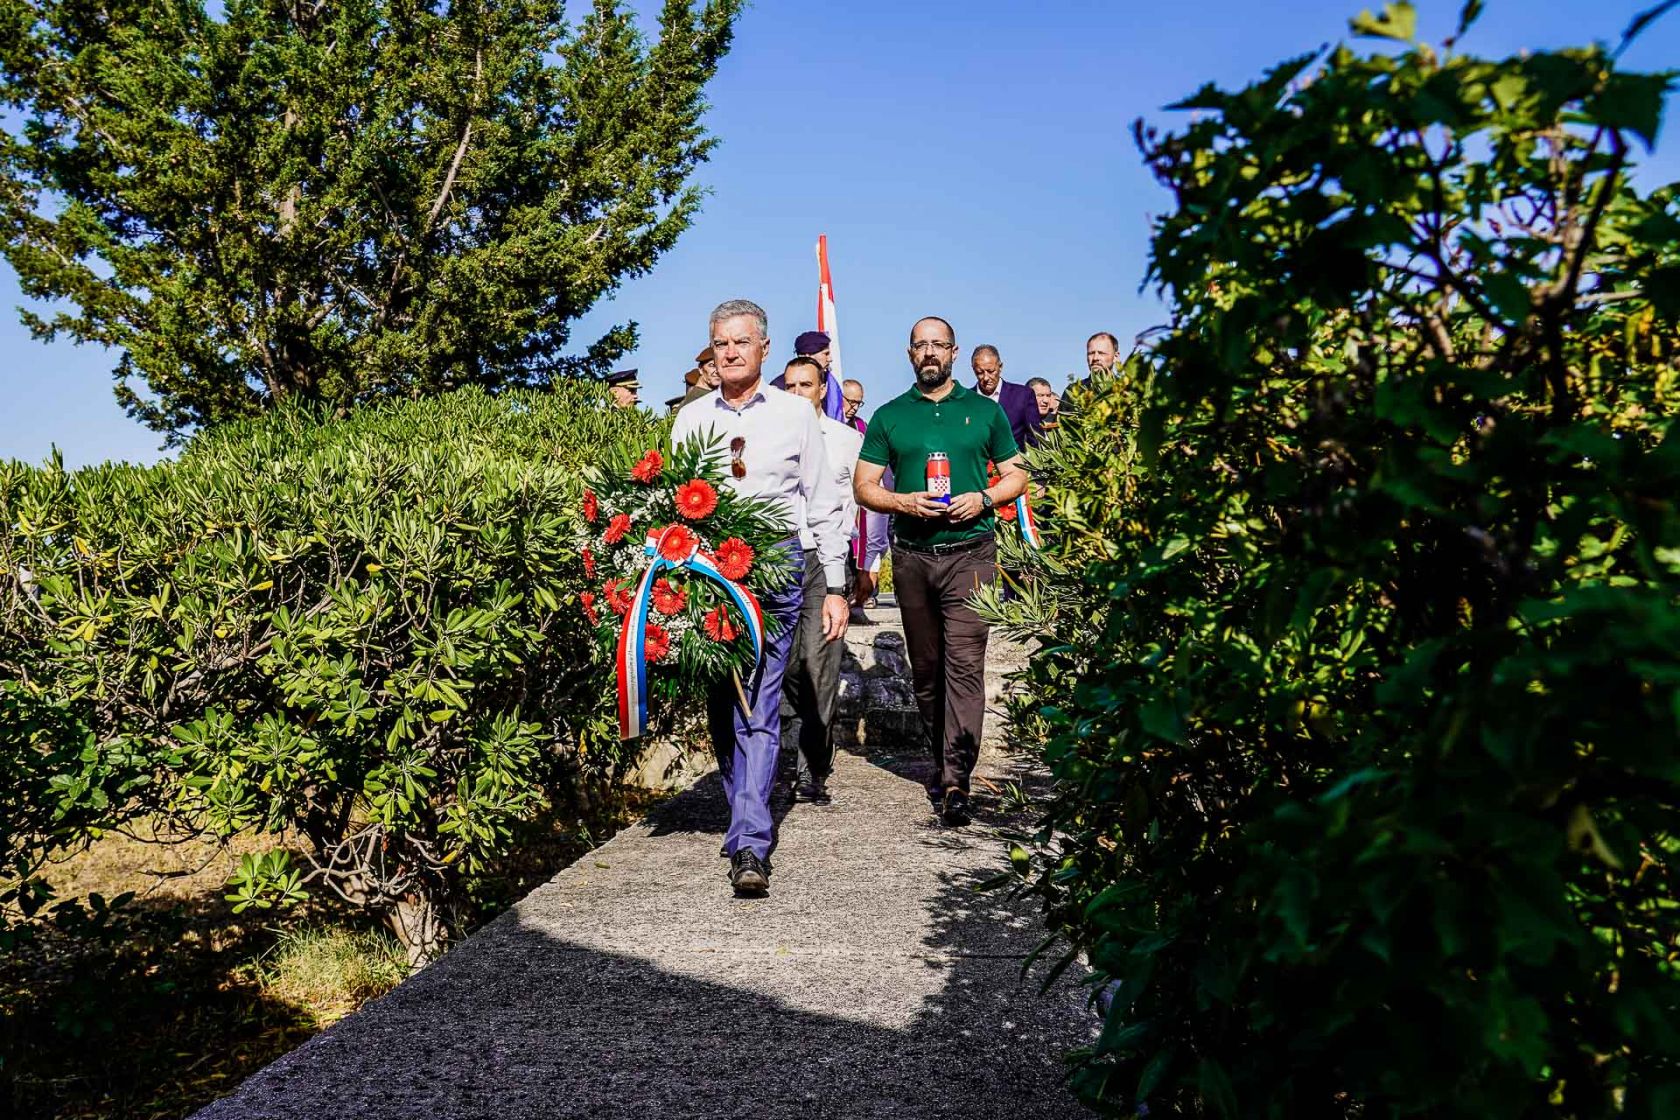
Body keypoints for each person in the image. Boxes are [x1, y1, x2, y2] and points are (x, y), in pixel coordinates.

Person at [672, 299, 850, 896]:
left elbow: (824, 504)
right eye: (719, 343)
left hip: (775, 566)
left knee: (761, 703)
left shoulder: (796, 417)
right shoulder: (691, 420)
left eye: (740, 343)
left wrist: (834, 588)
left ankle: (751, 843)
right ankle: (742, 812)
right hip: (708, 575)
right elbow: (672, 503)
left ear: (764, 350)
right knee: (723, 708)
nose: (728, 353)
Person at [853, 316, 1027, 826]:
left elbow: (1017, 475)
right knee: (927, 672)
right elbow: (864, 486)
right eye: (920, 345)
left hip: (971, 554)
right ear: (909, 354)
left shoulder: (983, 413)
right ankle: (940, 758)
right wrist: (902, 500)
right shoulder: (889, 416)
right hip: (911, 557)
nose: (929, 353)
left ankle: (956, 780)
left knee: (966, 667)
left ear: (954, 352)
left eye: (938, 345)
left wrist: (984, 497)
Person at [778, 355, 865, 805]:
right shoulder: (772, 437)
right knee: (787, 664)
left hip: (827, 563)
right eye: (789, 386)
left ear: (822, 388)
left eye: (805, 386)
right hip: (782, 558)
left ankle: (816, 764)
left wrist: (862, 567)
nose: (796, 394)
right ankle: (788, 760)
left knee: (819, 665)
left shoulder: (847, 441)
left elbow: (862, 510)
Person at [971, 344, 1044, 450]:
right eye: (980, 373)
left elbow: (1036, 438)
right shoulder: (966, 399)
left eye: (991, 371)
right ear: (973, 370)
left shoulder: (1023, 396)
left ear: (1000, 367)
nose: (986, 377)